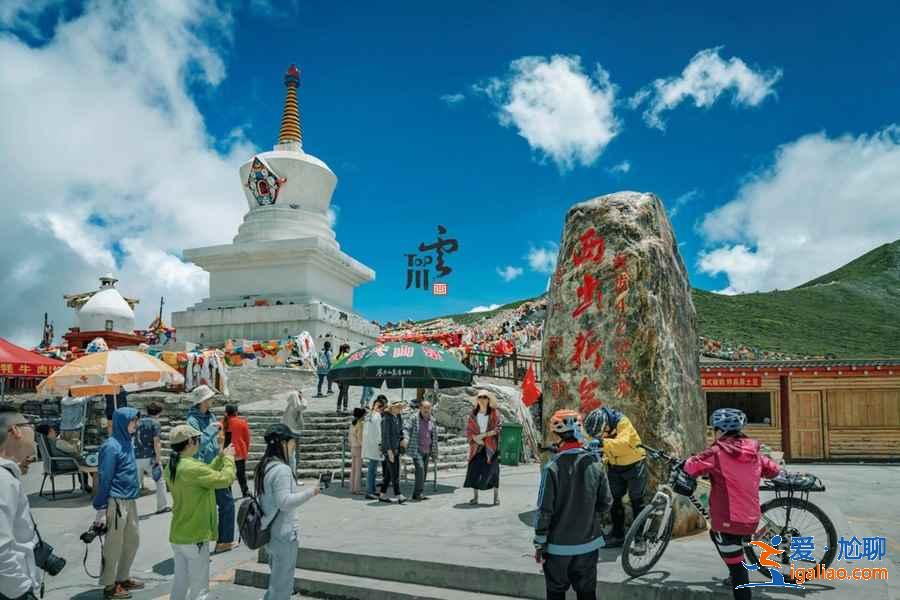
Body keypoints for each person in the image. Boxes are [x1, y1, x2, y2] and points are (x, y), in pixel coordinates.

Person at [682, 408, 782, 600]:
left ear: (720, 431)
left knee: (738, 571)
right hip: (751, 520)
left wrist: (685, 463)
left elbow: (691, 466)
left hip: (728, 521)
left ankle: (736, 571)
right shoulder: (754, 452)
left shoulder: (716, 452)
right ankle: (734, 563)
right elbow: (774, 470)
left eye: (714, 430)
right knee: (715, 535)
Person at [534, 410, 612, 600]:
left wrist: (539, 542)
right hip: (589, 544)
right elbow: (606, 502)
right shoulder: (595, 463)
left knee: (556, 592)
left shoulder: (552, 468)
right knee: (587, 593)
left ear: (556, 435)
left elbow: (544, 510)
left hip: (557, 548)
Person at [165, 424, 236, 600]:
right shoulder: (192, 468)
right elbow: (225, 479)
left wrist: (220, 457)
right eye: (198, 439)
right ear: (190, 442)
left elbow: (206, 473)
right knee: (200, 590)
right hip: (195, 534)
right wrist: (229, 459)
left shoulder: (174, 466)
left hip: (179, 533)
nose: (199, 442)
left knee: (180, 585)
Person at [255, 424, 320, 600]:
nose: (294, 446)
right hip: (283, 534)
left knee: (276, 583)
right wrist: (311, 492)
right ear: (282, 443)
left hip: (270, 532)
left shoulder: (265, 466)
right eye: (292, 442)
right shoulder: (281, 470)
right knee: (282, 586)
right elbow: (284, 503)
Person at [93, 407, 144, 599]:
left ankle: (122, 577)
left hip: (130, 499)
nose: (136, 425)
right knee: (113, 545)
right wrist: (101, 506)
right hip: (116, 500)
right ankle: (109, 585)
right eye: (133, 421)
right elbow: (104, 477)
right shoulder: (111, 446)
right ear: (124, 422)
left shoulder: (127, 442)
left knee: (132, 541)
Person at [583, 406, 646, 548]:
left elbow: (623, 444)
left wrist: (602, 443)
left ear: (606, 424)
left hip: (634, 464)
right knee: (614, 501)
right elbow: (597, 444)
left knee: (637, 501)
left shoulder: (622, 422)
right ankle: (617, 535)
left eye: (602, 434)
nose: (602, 436)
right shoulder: (599, 425)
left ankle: (640, 539)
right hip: (614, 466)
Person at [185, 385, 236, 554]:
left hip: (216, 463)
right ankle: (222, 541)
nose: (213, 400)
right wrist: (211, 430)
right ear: (203, 401)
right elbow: (195, 446)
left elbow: (215, 440)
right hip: (205, 468)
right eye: (210, 398)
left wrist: (221, 449)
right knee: (225, 503)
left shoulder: (211, 416)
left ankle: (220, 539)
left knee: (223, 503)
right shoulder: (192, 421)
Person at [0, 405, 41, 600]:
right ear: (15, 430)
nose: (33, 431)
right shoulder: (2, 480)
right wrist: (21, 592)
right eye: (29, 425)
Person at [464, 390, 501, 506]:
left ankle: (496, 498)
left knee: (493, 472)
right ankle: (475, 497)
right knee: (474, 470)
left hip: (491, 446)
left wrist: (482, 436)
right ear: (477, 399)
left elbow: (497, 429)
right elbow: (469, 431)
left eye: (485, 397)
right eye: (480, 397)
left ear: (489, 399)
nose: (483, 399)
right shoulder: (473, 414)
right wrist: (476, 438)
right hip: (477, 446)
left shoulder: (494, 413)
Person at [35, 420, 91, 492]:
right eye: (53, 430)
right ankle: (88, 485)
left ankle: (84, 484)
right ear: (50, 432)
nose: (55, 431)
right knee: (89, 463)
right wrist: (77, 442)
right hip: (65, 464)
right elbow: (73, 449)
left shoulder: (49, 442)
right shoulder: (58, 442)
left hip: (58, 463)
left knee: (84, 461)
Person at [134, 403, 169, 514]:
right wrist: (158, 458)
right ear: (158, 413)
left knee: (134, 484)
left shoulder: (138, 422)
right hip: (149, 456)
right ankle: (161, 507)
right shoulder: (155, 423)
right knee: (159, 481)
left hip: (136, 456)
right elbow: (156, 442)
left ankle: (129, 509)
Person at [404, 399, 438, 501]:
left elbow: (434, 437)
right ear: (420, 408)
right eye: (424, 408)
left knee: (424, 472)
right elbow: (406, 428)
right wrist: (405, 438)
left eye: (428, 408)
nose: (427, 410)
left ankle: (418, 493)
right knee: (420, 469)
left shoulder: (432, 420)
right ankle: (418, 493)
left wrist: (435, 452)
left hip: (427, 450)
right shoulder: (414, 418)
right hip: (417, 449)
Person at [380, 399, 406, 504]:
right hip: (389, 449)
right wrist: (389, 451)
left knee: (389, 474)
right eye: (398, 407)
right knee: (395, 473)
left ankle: (382, 494)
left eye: (401, 407)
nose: (400, 409)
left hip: (396, 448)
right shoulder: (386, 418)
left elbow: (400, 431)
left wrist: (402, 438)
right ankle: (398, 494)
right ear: (392, 407)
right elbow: (385, 436)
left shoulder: (398, 417)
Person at [222, 405, 250, 498]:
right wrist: (246, 450)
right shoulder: (242, 422)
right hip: (239, 452)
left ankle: (228, 493)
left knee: (227, 473)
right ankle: (245, 491)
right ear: (236, 412)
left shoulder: (222, 423)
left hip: (226, 452)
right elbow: (247, 439)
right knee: (241, 474)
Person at [362, 395, 386, 500]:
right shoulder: (377, 416)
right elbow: (378, 433)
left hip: (370, 445)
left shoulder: (370, 415)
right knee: (372, 470)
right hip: (375, 446)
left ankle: (371, 489)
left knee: (373, 469)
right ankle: (369, 491)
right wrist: (381, 445)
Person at [280, 390, 308, 474]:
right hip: (292, 433)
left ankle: (291, 473)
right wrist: (303, 400)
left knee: (291, 455)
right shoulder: (295, 406)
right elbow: (302, 406)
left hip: (289, 432)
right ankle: (293, 474)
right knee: (293, 455)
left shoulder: (289, 406)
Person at [349, 408, 365, 495]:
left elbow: (349, 437)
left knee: (353, 469)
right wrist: (364, 446)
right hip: (358, 447)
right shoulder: (360, 424)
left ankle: (352, 488)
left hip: (353, 447)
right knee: (358, 469)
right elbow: (360, 437)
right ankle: (357, 489)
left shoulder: (352, 423)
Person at [334, 344, 351, 413]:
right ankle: (345, 407)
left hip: (338, 377)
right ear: (346, 349)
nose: (349, 350)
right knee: (345, 392)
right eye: (349, 349)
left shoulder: (337, 357)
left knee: (341, 392)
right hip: (346, 377)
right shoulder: (347, 356)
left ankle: (338, 407)